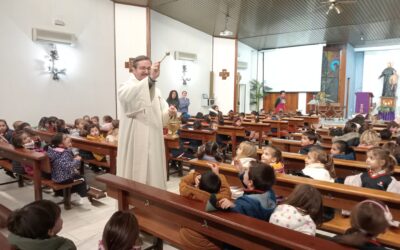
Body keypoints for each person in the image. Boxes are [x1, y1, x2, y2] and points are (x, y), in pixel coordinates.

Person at [117, 55, 176, 189]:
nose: (145, 71)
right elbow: (132, 101)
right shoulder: (125, 87)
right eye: (142, 68)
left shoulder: (157, 91)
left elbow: (160, 116)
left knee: (153, 174)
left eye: (148, 68)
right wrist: (151, 79)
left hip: (154, 139)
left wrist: (169, 112)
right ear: (133, 69)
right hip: (135, 140)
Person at [7, 200, 76, 250]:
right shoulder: (67, 247)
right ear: (50, 231)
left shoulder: (15, 240)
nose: (61, 219)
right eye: (59, 217)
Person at [46, 133, 90, 207]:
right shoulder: (64, 153)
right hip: (64, 178)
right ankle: (83, 197)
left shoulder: (53, 151)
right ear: (60, 144)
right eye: (65, 138)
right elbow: (68, 166)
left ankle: (60, 193)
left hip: (55, 177)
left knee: (76, 175)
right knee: (82, 179)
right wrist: (77, 160)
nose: (68, 138)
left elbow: (62, 165)